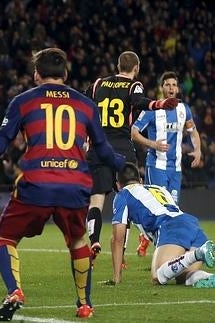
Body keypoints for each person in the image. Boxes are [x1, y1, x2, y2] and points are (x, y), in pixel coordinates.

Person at [0, 48, 126, 320]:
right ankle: (84, 304)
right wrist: (122, 166)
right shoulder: (85, 104)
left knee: (6, 237)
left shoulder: (23, 102)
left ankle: (15, 291)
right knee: (78, 240)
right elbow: (103, 151)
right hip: (75, 184)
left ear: (36, 74)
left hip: (36, 183)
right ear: (65, 73)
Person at [84, 51, 179, 261]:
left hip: (98, 148)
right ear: (136, 68)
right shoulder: (133, 85)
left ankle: (94, 240)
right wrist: (159, 104)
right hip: (122, 149)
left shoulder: (99, 83)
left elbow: (83, 102)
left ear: (118, 66)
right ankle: (127, 251)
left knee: (96, 201)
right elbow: (139, 101)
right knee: (131, 197)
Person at [108, 162, 215, 287]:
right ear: (141, 180)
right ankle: (202, 275)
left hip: (169, 225)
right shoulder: (158, 188)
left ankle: (198, 254)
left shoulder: (122, 195)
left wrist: (116, 278)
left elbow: (118, 238)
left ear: (118, 185)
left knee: (157, 276)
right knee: (179, 275)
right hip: (191, 224)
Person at [131, 71, 202, 257]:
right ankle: (158, 249)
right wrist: (152, 144)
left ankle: (151, 241)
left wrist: (198, 150)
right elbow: (134, 132)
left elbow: (192, 131)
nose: (171, 88)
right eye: (167, 84)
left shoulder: (184, 109)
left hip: (175, 169)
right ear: (162, 88)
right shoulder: (152, 109)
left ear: (178, 89)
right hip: (156, 166)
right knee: (159, 208)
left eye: (174, 85)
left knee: (173, 209)